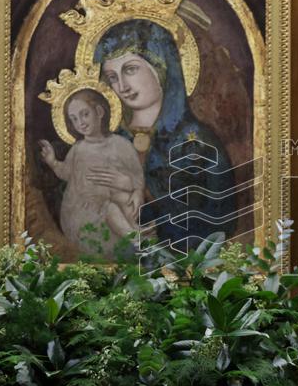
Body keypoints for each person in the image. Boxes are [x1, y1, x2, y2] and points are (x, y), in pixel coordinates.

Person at [94, 19, 238, 250]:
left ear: (161, 68)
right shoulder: (111, 142)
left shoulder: (197, 142)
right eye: (112, 76)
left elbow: (220, 217)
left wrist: (145, 192)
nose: (122, 86)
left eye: (130, 69)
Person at [38, 89, 144, 256]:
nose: (80, 122)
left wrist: (135, 189)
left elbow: (137, 177)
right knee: (110, 208)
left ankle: (134, 235)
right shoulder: (78, 149)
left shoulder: (121, 145)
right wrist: (53, 162)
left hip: (113, 201)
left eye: (84, 114)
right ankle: (137, 239)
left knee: (126, 201)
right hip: (83, 211)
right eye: (74, 119)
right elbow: (66, 173)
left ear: (100, 112)